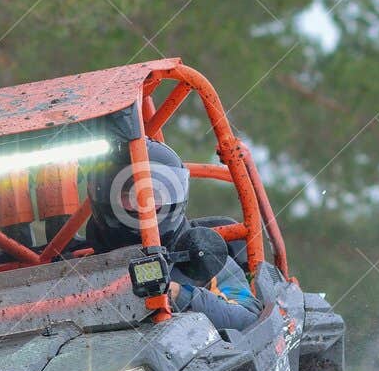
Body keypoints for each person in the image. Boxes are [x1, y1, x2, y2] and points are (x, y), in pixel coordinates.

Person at [86, 140, 261, 330]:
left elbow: (249, 321)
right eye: (130, 195)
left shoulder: (205, 259)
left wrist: (179, 295)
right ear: (105, 199)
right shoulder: (80, 269)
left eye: (153, 193)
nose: (143, 204)